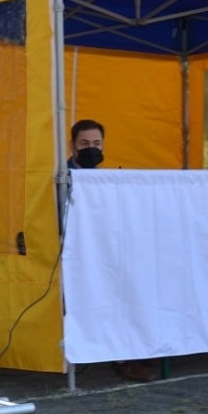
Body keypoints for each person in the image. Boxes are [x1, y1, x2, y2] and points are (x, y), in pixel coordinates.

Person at [65, 117, 155, 382]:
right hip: (77, 255)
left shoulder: (108, 178)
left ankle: (139, 343)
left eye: (96, 143)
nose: (91, 148)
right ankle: (123, 357)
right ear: (72, 146)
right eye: (84, 143)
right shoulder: (62, 178)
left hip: (111, 248)